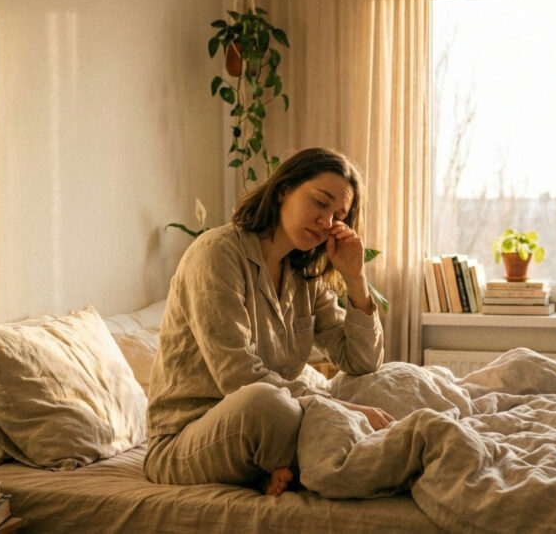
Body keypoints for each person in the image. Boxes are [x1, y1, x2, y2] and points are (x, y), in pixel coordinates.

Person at [144, 147, 395, 497]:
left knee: (386, 383)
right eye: (320, 203)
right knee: (266, 404)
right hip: (187, 437)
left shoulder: (303, 273)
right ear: (283, 191)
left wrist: (355, 278)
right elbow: (238, 376)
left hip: (272, 422)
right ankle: (349, 467)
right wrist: (336, 406)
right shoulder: (216, 253)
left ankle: (274, 469)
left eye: (338, 216)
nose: (326, 222)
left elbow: (363, 361)